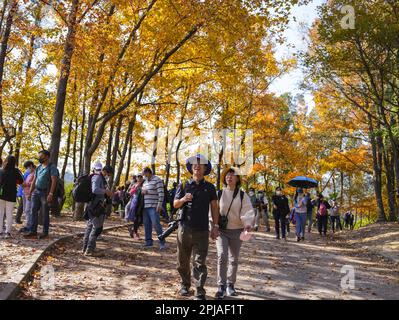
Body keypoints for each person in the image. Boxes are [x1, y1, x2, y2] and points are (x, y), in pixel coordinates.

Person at [174, 154, 219, 300]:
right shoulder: (183, 185)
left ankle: (199, 291)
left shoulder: (210, 187)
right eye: (194, 163)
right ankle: (185, 285)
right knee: (183, 260)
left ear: (205, 168)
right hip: (184, 228)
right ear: (191, 167)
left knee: (200, 262)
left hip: (202, 230)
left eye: (200, 164)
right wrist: (183, 199)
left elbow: (214, 207)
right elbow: (175, 204)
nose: (197, 165)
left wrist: (215, 226)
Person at [215, 167, 254, 299]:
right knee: (222, 256)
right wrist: (212, 225)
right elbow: (213, 211)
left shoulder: (242, 195)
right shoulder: (219, 193)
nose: (229, 177)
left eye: (232, 175)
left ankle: (230, 285)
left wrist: (247, 223)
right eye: (227, 175)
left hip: (237, 231)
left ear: (237, 179)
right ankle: (221, 286)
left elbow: (247, 210)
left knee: (234, 259)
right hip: (222, 231)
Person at [24, 150, 59, 239]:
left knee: (44, 212)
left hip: (45, 192)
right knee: (33, 211)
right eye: (39, 156)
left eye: (41, 156)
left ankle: (45, 232)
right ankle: (33, 231)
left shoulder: (52, 167)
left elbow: (54, 180)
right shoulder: (39, 167)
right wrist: (30, 192)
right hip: (36, 192)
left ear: (47, 156)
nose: (39, 158)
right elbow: (34, 180)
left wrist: (50, 193)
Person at [82, 162, 113, 256]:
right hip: (94, 206)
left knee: (90, 226)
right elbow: (94, 190)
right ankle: (89, 250)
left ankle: (86, 248)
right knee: (97, 227)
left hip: (96, 205)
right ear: (105, 171)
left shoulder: (100, 178)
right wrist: (106, 191)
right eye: (109, 174)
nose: (108, 176)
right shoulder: (97, 177)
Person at [141, 167, 166, 250]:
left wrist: (159, 205)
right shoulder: (145, 182)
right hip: (145, 206)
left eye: (144, 174)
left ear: (148, 172)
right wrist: (143, 191)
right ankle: (148, 242)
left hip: (154, 206)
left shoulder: (157, 180)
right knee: (147, 224)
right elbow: (143, 191)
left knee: (156, 224)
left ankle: (162, 242)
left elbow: (161, 193)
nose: (143, 176)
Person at [0, 155, 23, 238]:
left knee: (0, 213)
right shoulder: (16, 171)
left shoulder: (1, 170)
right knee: (9, 214)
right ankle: (8, 232)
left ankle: (0, 232)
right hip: (11, 195)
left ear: (6, 161)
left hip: (1, 195)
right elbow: (21, 181)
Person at [125, 174, 144, 239]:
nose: (139, 178)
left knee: (141, 220)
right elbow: (130, 193)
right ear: (136, 178)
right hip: (135, 203)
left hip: (143, 203)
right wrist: (135, 187)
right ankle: (135, 232)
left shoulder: (145, 184)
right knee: (136, 218)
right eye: (138, 177)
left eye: (140, 177)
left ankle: (133, 230)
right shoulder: (134, 184)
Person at [19, 162, 36, 233]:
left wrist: (26, 184)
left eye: (27, 168)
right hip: (25, 194)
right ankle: (27, 225)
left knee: (28, 210)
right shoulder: (29, 174)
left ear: (31, 166)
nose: (27, 169)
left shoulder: (35, 173)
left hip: (30, 194)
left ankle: (29, 226)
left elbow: (34, 183)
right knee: (26, 210)